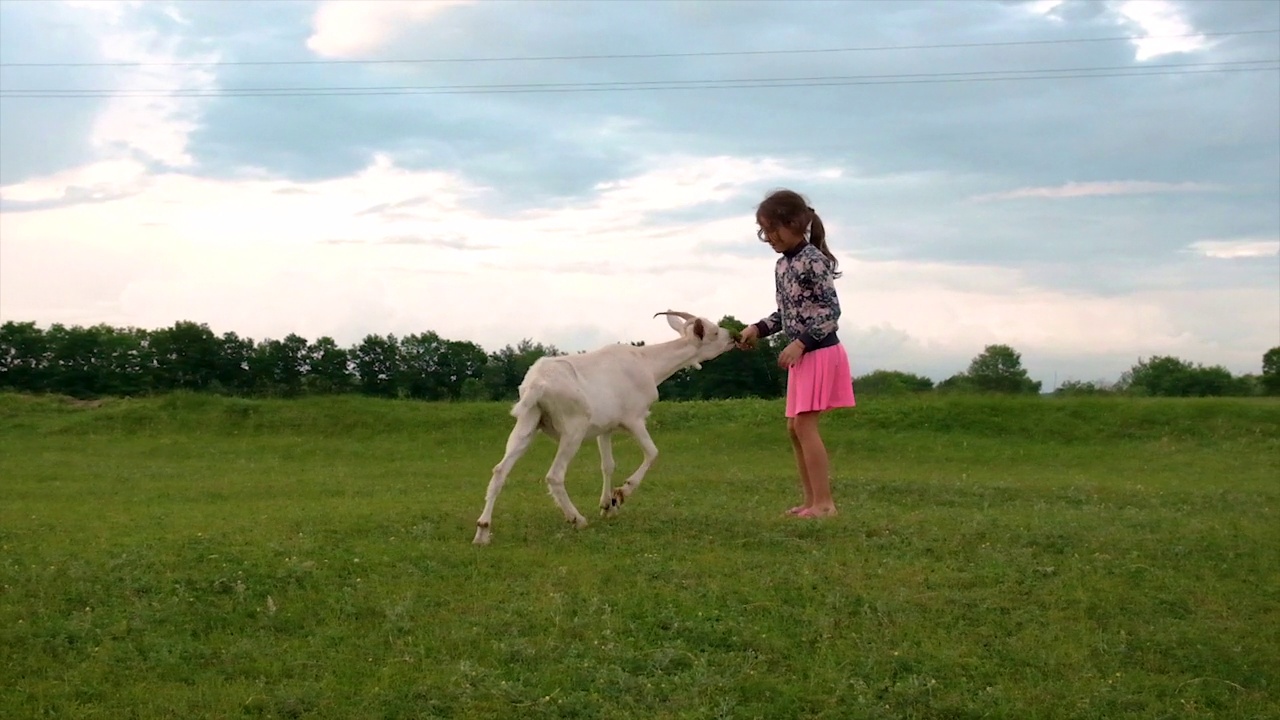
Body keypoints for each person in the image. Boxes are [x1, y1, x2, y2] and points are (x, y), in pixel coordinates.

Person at [736, 189, 856, 519]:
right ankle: (810, 502)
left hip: (819, 351)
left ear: (795, 223)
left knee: (804, 426)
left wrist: (801, 342)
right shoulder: (782, 265)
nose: (769, 238)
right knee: (794, 428)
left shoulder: (813, 261)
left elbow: (830, 312)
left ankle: (825, 504)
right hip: (802, 355)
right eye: (764, 231)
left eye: (773, 229)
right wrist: (757, 328)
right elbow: (786, 313)